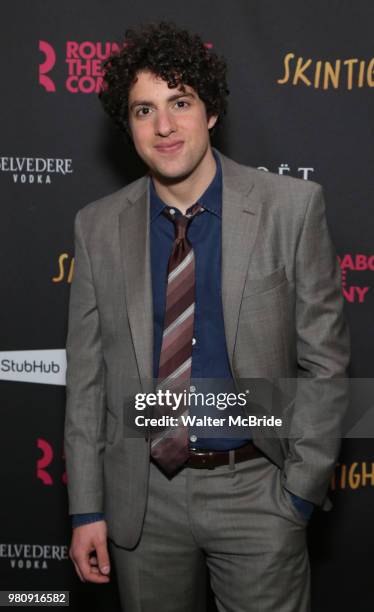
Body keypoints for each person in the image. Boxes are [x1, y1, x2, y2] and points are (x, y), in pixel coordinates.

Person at [64, 21, 350, 612]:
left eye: (180, 102)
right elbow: (87, 379)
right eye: (144, 109)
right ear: (129, 125)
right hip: (142, 501)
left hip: (258, 491)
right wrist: (88, 507)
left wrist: (298, 493)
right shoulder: (97, 226)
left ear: (211, 111)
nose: (164, 126)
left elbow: (325, 363)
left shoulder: (291, 210)